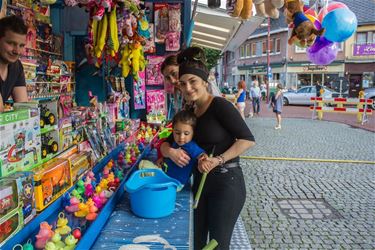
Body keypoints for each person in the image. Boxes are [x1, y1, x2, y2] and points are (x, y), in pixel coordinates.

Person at [160, 47, 255, 249]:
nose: (187, 87)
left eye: (193, 82)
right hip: (202, 185)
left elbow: (247, 139)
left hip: (226, 183)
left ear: (204, 81)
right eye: (183, 83)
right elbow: (169, 141)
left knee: (217, 245)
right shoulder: (190, 110)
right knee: (196, 241)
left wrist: (218, 159)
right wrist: (169, 151)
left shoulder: (220, 106)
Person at [163, 110, 208, 186]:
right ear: (172, 131)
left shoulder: (191, 146)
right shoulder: (174, 142)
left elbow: (202, 155)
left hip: (177, 183)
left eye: (186, 133)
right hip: (166, 177)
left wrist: (203, 161)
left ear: (193, 133)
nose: (181, 137)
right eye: (177, 133)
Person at [0, 15, 28, 112]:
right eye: (11, 43)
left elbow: (23, 108)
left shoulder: (16, 66)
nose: (17, 51)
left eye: (21, 45)